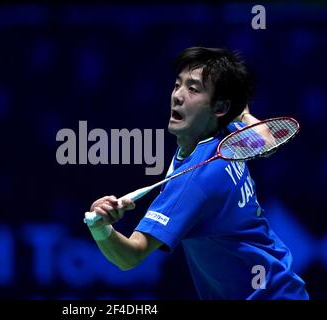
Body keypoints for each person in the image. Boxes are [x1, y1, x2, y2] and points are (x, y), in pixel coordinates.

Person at [85, 47, 309, 300]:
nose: (177, 96)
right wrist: (241, 112)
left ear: (220, 107)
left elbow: (130, 256)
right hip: (282, 289)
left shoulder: (195, 181)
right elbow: (266, 140)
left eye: (193, 89)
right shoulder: (227, 134)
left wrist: (101, 229)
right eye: (177, 85)